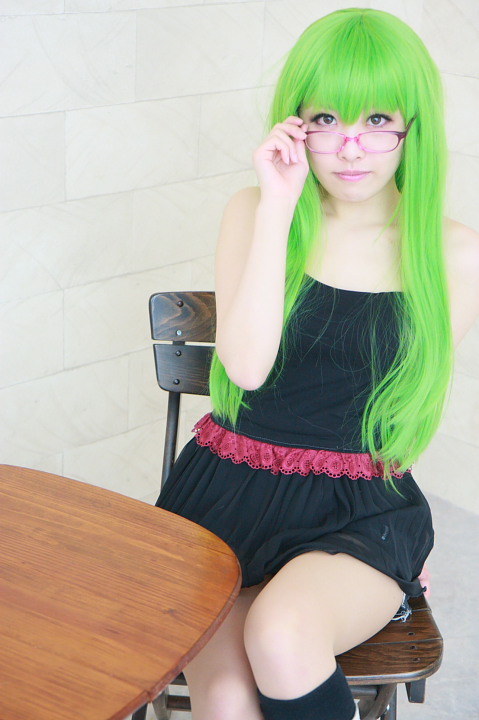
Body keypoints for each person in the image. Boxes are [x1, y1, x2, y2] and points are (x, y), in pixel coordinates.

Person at [156, 8, 479, 720]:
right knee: (226, 701)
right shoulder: (254, 210)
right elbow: (244, 370)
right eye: (326, 119)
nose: (350, 148)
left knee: (281, 633)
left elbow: (402, 412)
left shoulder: (454, 254)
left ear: (412, 127)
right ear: (295, 125)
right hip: (225, 492)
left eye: (377, 120)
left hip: (356, 507)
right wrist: (279, 207)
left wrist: (397, 550)